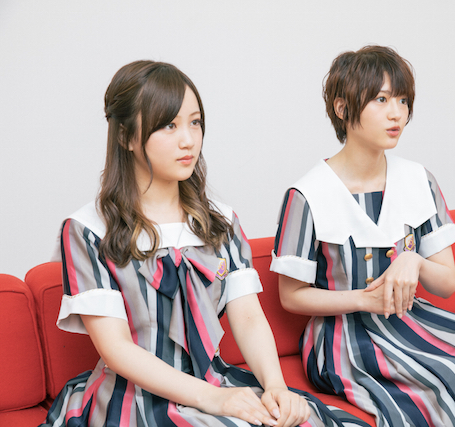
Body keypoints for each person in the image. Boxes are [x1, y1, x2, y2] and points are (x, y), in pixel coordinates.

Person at [40, 61, 367, 427]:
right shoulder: (87, 229)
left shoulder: (220, 221)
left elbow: (248, 317)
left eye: (195, 122)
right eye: (169, 125)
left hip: (214, 384)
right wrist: (215, 400)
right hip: (134, 398)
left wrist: (276, 387)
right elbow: (116, 348)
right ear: (126, 137)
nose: (188, 140)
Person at [271, 46, 455, 427]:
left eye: (402, 100)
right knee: (454, 381)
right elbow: (290, 296)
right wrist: (364, 300)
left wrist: (414, 260)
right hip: (343, 339)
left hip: (411, 320)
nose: (397, 113)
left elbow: (447, 283)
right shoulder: (307, 194)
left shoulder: (418, 180)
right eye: (381, 100)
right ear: (342, 108)